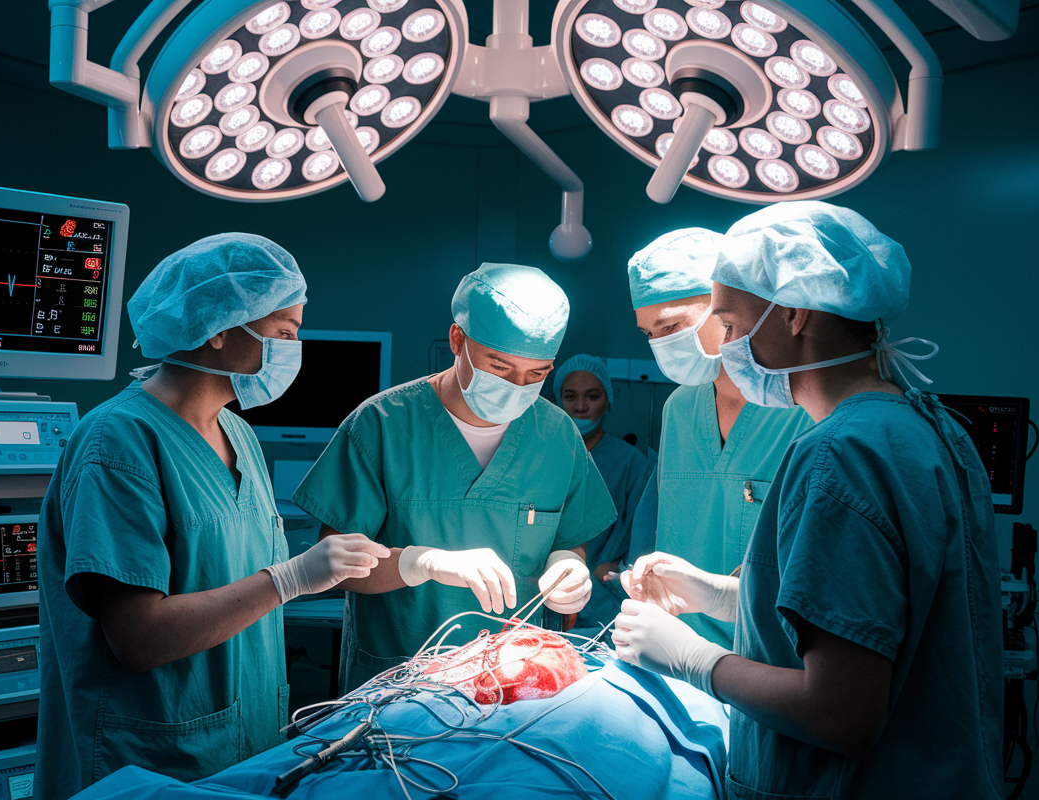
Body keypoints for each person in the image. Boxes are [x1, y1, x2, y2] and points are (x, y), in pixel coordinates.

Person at [612, 202, 1002, 798]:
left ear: (792, 314)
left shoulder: (840, 453)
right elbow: (872, 609)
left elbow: (841, 714)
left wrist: (694, 659)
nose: (727, 348)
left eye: (734, 326)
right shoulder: (929, 427)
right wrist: (723, 595)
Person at [36, 234, 389, 798]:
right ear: (220, 327)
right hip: (150, 762)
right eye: (284, 333)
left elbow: (236, 581)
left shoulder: (237, 433)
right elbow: (138, 637)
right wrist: (291, 578)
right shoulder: (119, 443)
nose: (293, 349)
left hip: (241, 745)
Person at [292, 263, 618, 691]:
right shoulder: (381, 426)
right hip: (396, 686)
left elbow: (569, 536)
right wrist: (420, 562)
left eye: (537, 374)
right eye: (500, 368)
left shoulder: (556, 435)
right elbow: (335, 566)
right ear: (457, 340)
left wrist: (569, 565)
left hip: (516, 685)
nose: (518, 387)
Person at [624, 228, 812, 650]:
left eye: (670, 325)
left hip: (769, 659)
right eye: (648, 333)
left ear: (724, 306)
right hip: (672, 650)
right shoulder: (678, 409)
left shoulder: (801, 409)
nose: (660, 345)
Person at [553, 354, 650, 631]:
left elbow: (645, 537)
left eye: (592, 396)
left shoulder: (631, 463)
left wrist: (619, 568)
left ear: (608, 400)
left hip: (604, 602)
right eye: (570, 397)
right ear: (558, 401)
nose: (581, 406)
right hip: (547, 593)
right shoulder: (544, 456)